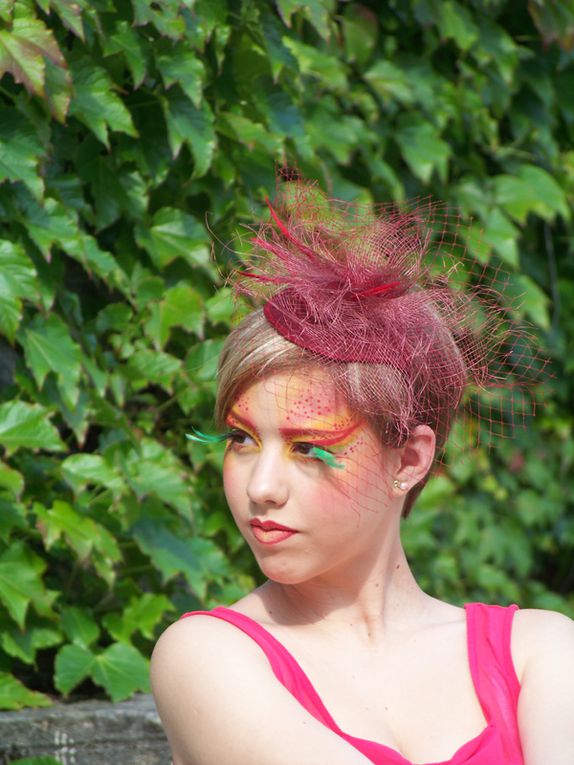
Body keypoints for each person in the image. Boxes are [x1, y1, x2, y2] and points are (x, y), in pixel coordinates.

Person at [151, 178, 574, 765]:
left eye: (309, 449)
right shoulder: (205, 657)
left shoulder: (541, 651)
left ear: (409, 460)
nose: (260, 488)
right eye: (241, 440)